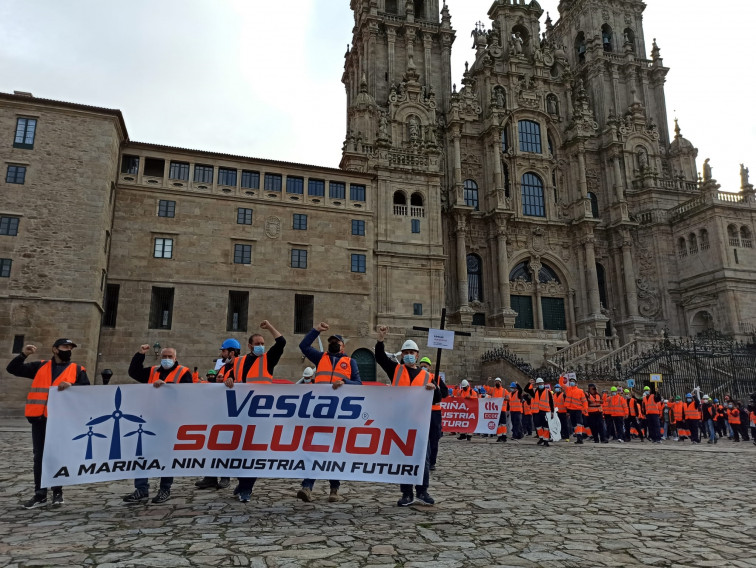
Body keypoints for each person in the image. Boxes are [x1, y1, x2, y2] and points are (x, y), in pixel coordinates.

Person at [7, 339, 89, 509]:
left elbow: (86, 391)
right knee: (40, 457)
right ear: (55, 349)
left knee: (57, 456)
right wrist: (23, 354)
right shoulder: (40, 367)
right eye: (65, 347)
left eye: (70, 348)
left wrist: (72, 385)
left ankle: (57, 492)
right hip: (39, 419)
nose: (68, 350)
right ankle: (40, 493)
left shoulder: (78, 370)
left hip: (61, 421)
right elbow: (13, 369)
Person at [298, 321, 360, 503]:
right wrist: (315, 330)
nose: (334, 343)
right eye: (331, 341)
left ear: (343, 346)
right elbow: (303, 346)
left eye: (337, 342)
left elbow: (359, 384)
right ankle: (307, 487)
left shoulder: (351, 362)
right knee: (314, 449)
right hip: (319, 412)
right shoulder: (320, 358)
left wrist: (345, 382)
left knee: (335, 451)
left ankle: (334, 490)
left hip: (339, 414)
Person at [225, 321, 287, 503]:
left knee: (253, 452)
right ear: (250, 345)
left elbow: (282, 342)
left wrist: (269, 327)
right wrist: (228, 379)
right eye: (257, 344)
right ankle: (242, 482)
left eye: (263, 344)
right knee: (239, 451)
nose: (261, 346)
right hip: (240, 412)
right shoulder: (238, 361)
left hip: (261, 413)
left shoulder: (268, 359)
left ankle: (246, 488)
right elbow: (230, 377)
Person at [375, 326, 436, 507]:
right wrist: (380, 339)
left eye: (412, 352)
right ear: (402, 355)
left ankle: (422, 491)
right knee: (404, 458)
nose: (409, 355)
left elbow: (440, 396)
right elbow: (380, 357)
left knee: (422, 458)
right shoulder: (396, 370)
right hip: (400, 421)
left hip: (420, 423)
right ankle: (407, 493)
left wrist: (435, 388)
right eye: (406, 352)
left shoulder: (427, 375)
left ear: (417, 355)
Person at [124, 343, 192, 504]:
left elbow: (189, 393)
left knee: (166, 457)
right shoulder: (153, 371)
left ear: (175, 358)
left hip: (170, 421)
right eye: (164, 356)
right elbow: (134, 372)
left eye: (170, 357)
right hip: (150, 420)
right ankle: (141, 489)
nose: (167, 359)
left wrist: (167, 387)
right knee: (142, 455)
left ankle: (164, 489)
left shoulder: (184, 372)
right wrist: (140, 354)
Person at [195, 338, 243, 491]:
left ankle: (225, 476)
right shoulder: (224, 367)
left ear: (231, 352)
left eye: (223, 350)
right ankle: (210, 476)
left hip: (231, 410)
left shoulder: (238, 365)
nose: (221, 353)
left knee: (226, 444)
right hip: (219, 409)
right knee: (213, 444)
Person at [419, 357, 448, 469]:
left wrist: (437, 389)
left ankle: (431, 462)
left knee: (433, 438)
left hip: (434, 413)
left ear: (429, 367)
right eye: (421, 365)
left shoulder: (436, 378)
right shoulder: (417, 377)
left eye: (425, 365)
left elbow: (445, 394)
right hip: (420, 411)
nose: (423, 367)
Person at [561, 376, 586, 444]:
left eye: (573, 381)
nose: (572, 382)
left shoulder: (580, 391)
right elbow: (561, 384)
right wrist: (562, 377)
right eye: (571, 381)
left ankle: (580, 436)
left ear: (576, 383)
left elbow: (584, 401)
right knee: (574, 424)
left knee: (579, 423)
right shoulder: (568, 389)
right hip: (571, 409)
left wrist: (585, 409)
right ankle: (578, 437)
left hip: (578, 409)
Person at [531, 378, 555, 447]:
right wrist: (530, 384)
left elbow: (551, 402)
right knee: (538, 426)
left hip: (545, 411)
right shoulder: (535, 391)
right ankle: (541, 438)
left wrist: (552, 412)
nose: (540, 385)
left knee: (546, 426)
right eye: (539, 384)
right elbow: (527, 390)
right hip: (536, 411)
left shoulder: (548, 392)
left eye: (541, 384)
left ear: (543, 384)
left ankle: (546, 440)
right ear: (537, 384)